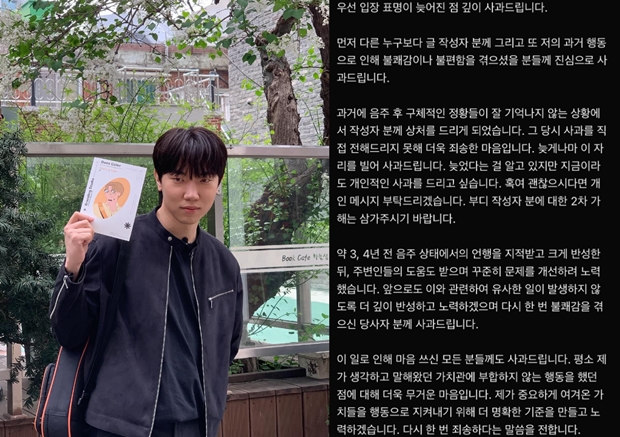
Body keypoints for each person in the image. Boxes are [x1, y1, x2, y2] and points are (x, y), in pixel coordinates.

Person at [50, 126, 243, 437]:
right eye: (178, 178)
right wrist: (73, 264)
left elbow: (227, 345)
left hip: (198, 424)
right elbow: (69, 332)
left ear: (218, 183)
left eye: (204, 179)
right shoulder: (115, 245)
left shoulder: (223, 262)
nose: (191, 193)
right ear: (158, 179)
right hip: (120, 425)